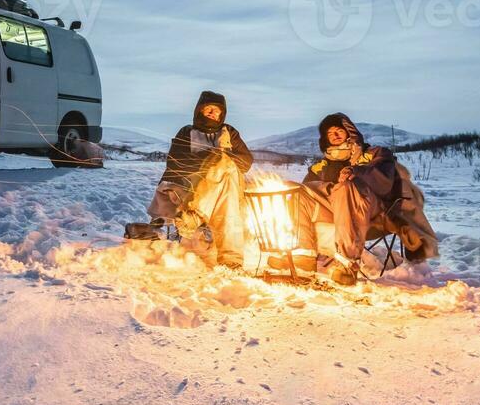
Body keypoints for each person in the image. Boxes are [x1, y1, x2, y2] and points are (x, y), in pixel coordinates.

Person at [280, 113, 438, 285]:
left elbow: (384, 179)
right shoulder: (322, 166)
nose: (335, 135)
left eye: (339, 130)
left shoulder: (374, 153)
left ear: (350, 132)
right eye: (330, 133)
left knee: (346, 186)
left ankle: (347, 264)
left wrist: (357, 172)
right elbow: (311, 195)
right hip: (337, 213)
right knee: (299, 193)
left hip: (374, 214)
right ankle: (304, 256)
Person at [147, 91, 253, 268]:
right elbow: (176, 161)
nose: (213, 113)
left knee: (224, 166)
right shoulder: (187, 132)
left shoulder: (230, 132)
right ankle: (231, 259)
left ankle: (195, 215)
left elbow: (246, 161)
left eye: (217, 110)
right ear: (199, 110)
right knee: (227, 195)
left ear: (222, 114)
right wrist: (208, 160)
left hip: (226, 181)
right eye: (208, 109)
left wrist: (221, 160)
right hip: (195, 184)